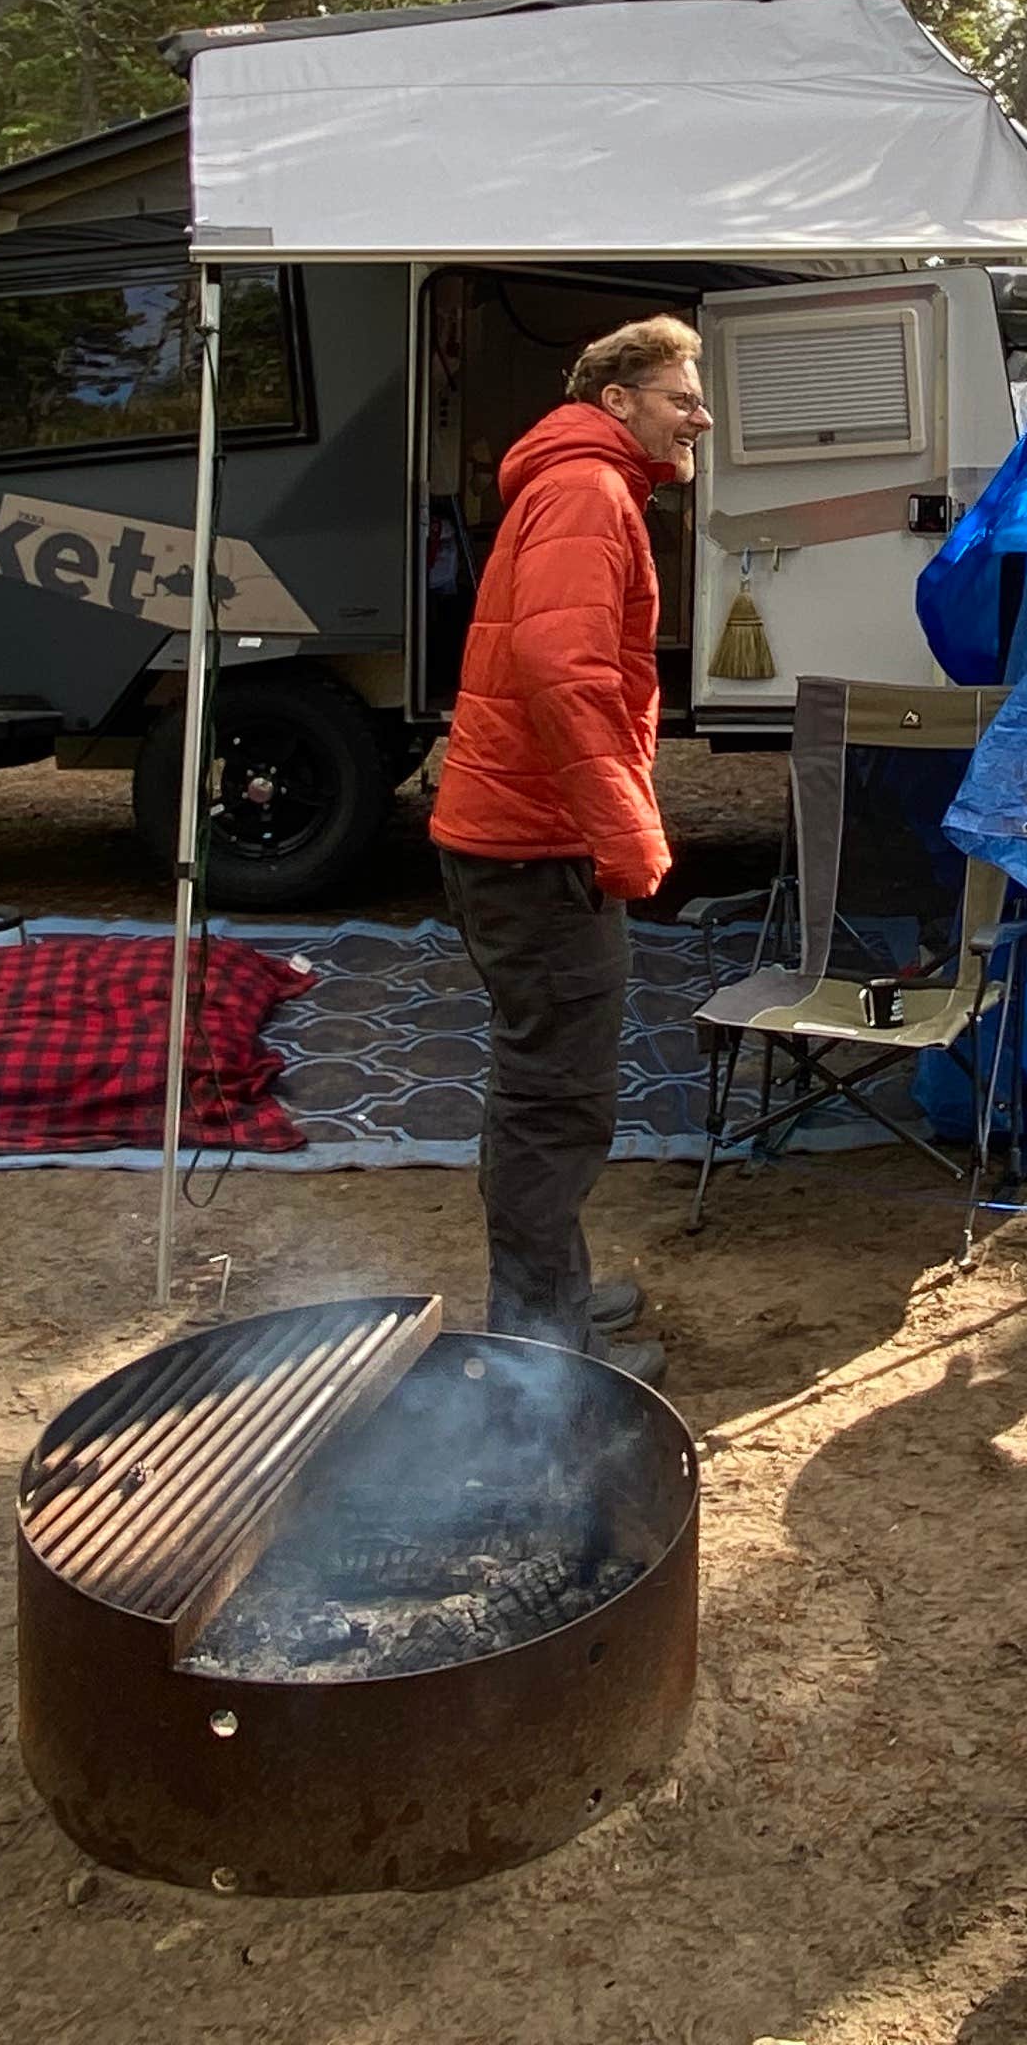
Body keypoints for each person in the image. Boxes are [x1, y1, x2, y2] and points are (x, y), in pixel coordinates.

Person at [427, 315, 712, 1384]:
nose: (701, 414)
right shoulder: (589, 492)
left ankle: (548, 1300)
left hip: (515, 836)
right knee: (558, 1101)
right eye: (682, 396)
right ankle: (543, 1347)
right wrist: (627, 830)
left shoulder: (583, 486)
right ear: (618, 401)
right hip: (533, 848)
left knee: (544, 1085)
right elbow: (564, 669)